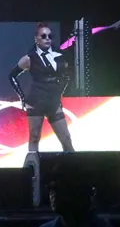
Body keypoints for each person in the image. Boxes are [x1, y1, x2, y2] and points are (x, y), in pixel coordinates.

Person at [9, 23, 74, 154]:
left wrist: (60, 92)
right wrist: (22, 97)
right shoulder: (30, 58)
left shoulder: (58, 56)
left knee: (66, 138)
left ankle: (73, 164)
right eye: (43, 36)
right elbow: (12, 76)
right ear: (36, 39)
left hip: (53, 101)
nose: (47, 39)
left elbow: (68, 75)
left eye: (50, 36)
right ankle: (33, 166)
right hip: (36, 101)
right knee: (34, 137)